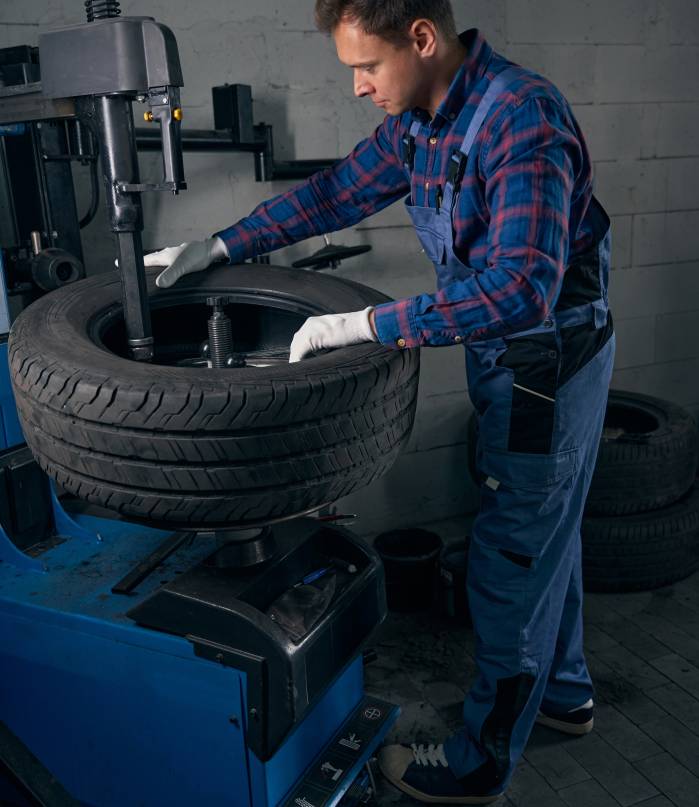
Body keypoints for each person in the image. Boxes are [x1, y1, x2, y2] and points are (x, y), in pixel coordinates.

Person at [145, 1, 615, 803]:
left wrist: (369, 323)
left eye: (366, 66)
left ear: (422, 38)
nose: (359, 87)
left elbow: (522, 290)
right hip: (502, 354)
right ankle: (562, 696)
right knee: (544, 535)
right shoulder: (422, 122)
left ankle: (477, 766)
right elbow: (333, 194)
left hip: (542, 363)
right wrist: (224, 243)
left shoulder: (519, 121)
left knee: (509, 561)